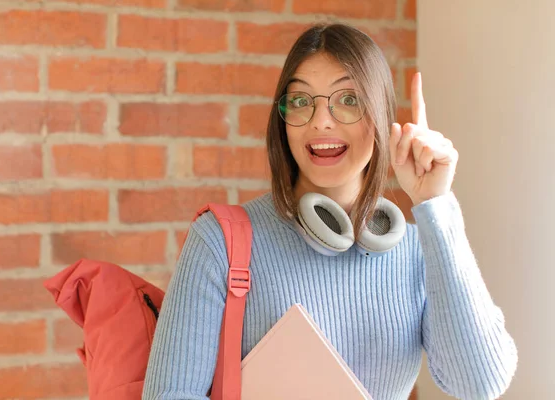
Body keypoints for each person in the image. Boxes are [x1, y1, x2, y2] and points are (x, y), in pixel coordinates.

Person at [142, 23, 517, 400]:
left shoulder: (417, 251)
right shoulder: (219, 241)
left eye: (349, 99)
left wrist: (435, 206)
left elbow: (479, 385)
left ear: (381, 116)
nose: (321, 120)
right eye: (302, 101)